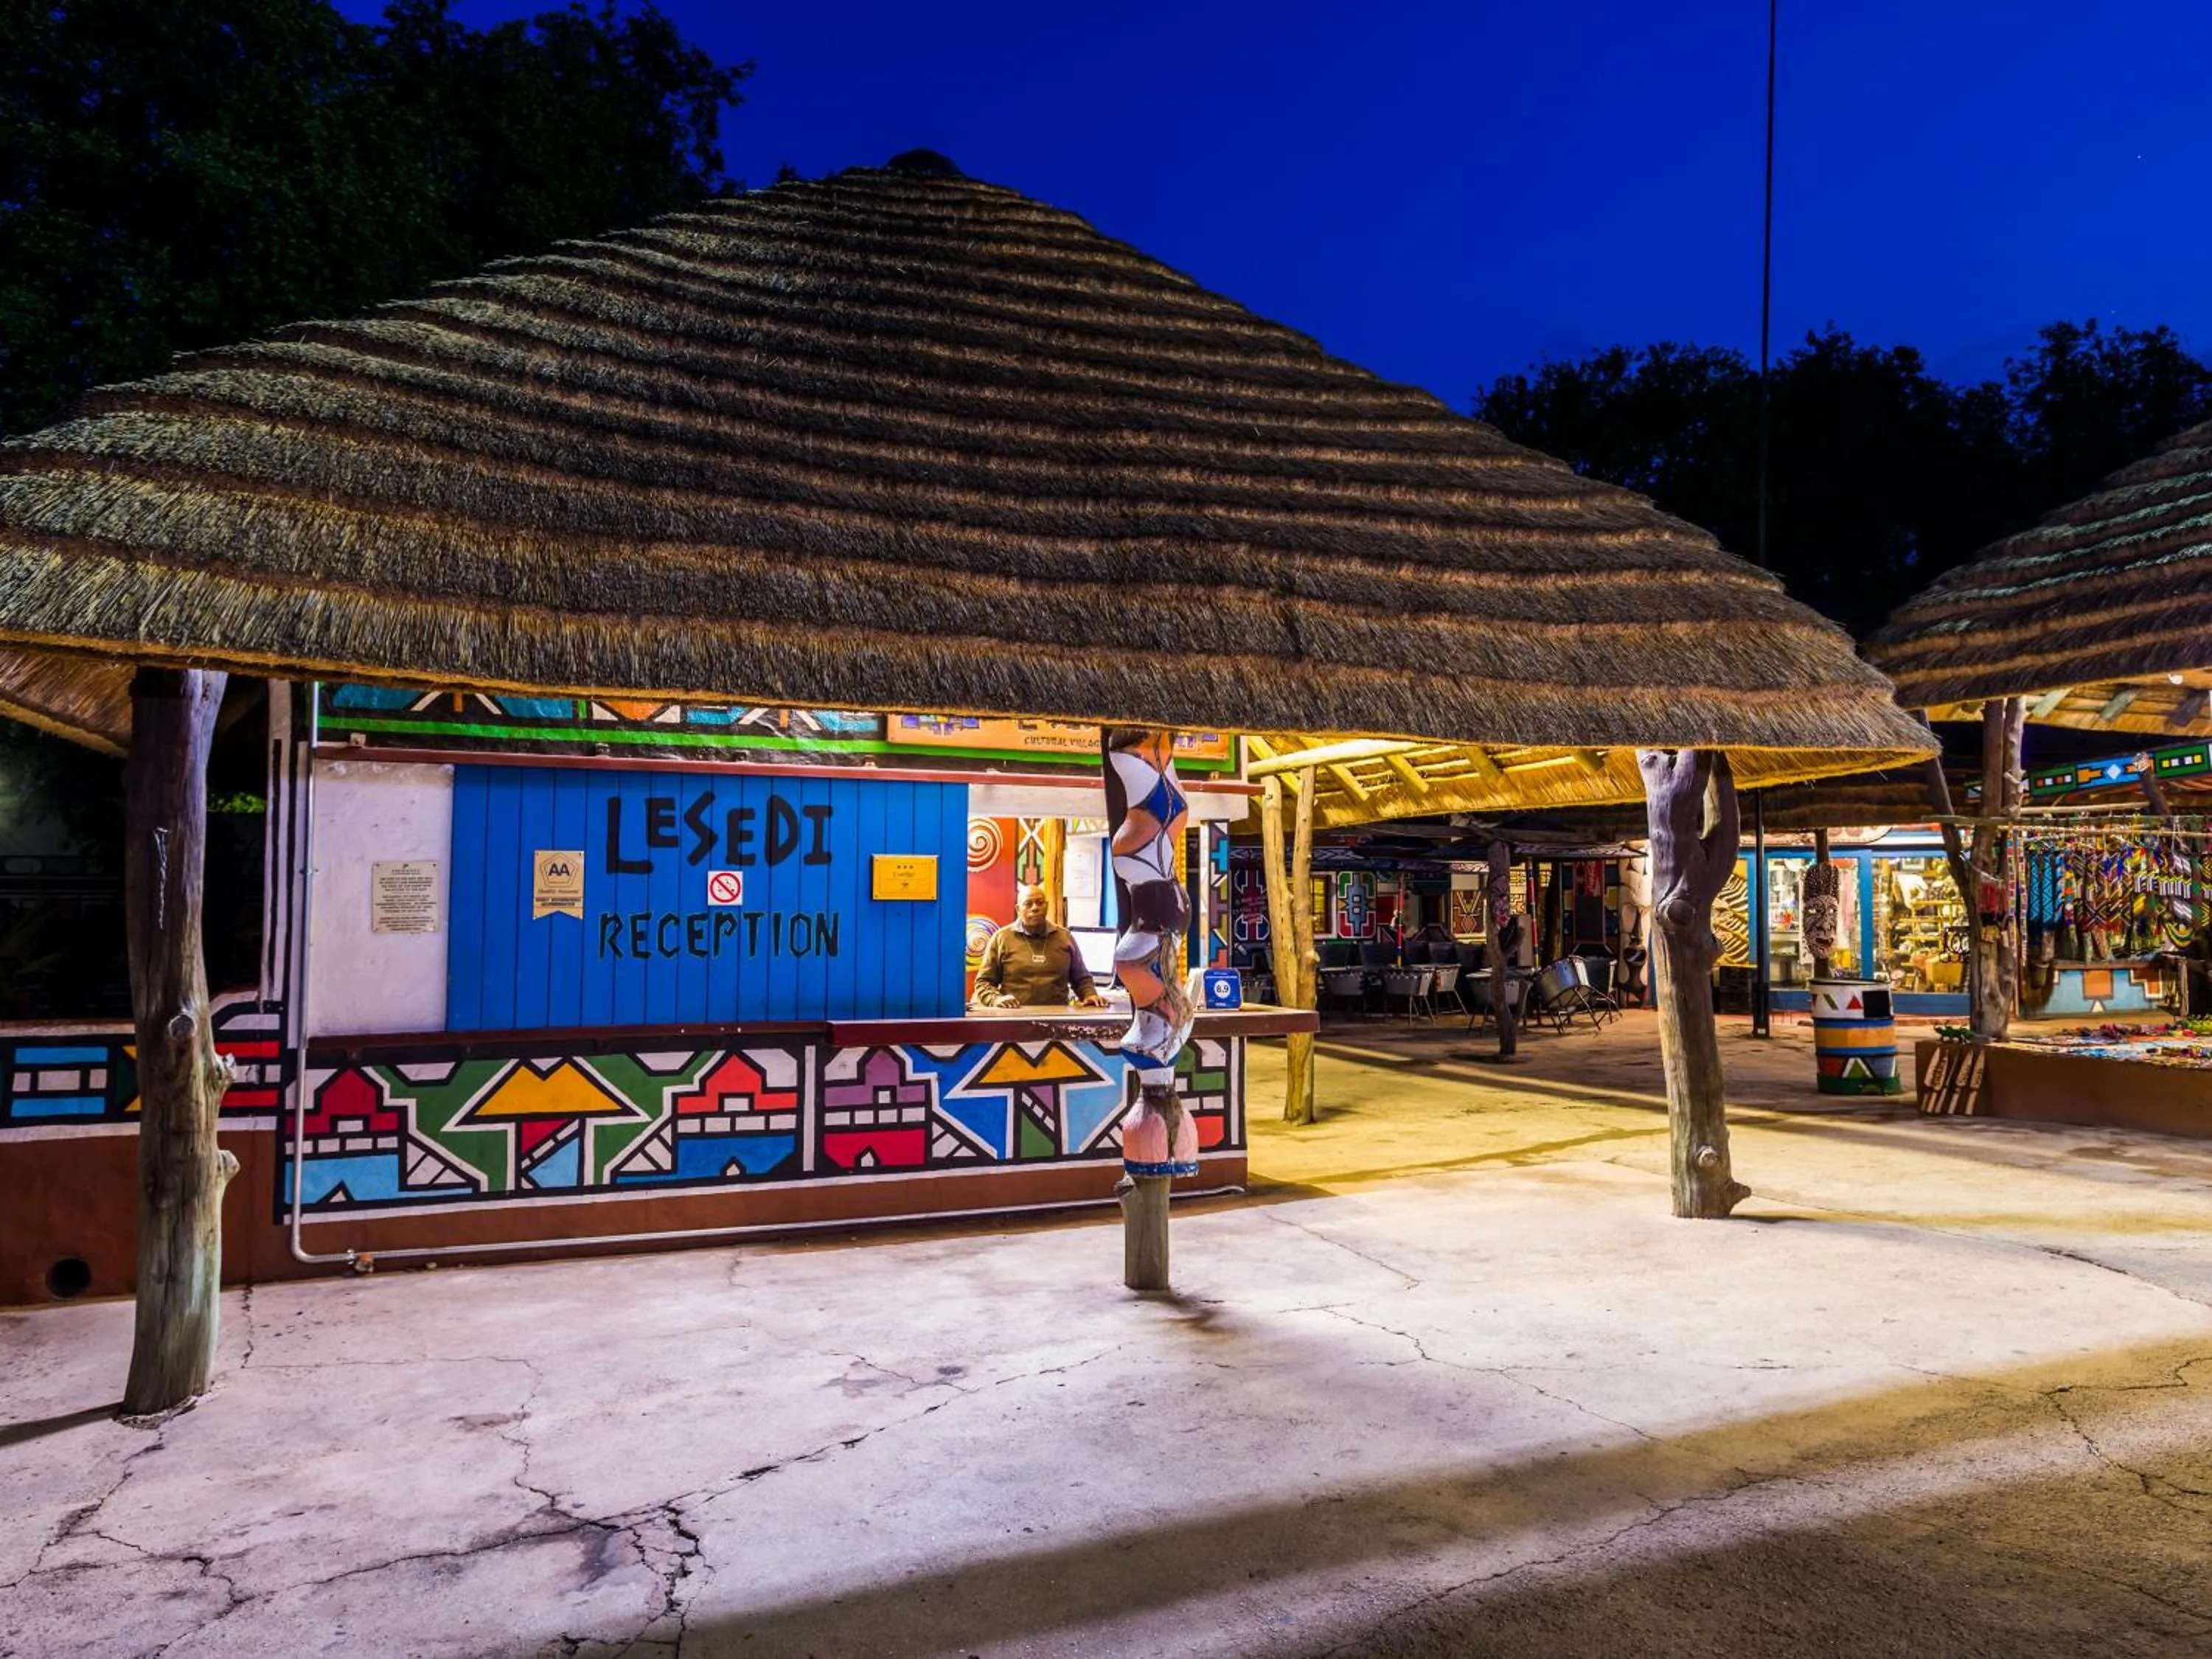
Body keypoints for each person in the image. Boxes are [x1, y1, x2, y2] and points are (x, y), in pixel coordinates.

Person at [973, 885, 1109, 1009]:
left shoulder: (1064, 937)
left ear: (1047, 906)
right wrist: (996, 999)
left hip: (1057, 1019)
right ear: (1018, 909)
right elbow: (983, 982)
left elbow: (1081, 978)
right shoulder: (1002, 938)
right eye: (1028, 904)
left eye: (1040, 902)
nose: (1035, 908)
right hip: (1015, 1019)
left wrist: (1089, 994)